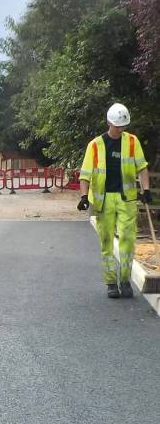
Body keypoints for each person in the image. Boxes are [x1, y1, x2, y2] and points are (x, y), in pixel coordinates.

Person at [77, 103, 152, 298]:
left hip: (126, 198)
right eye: (117, 125)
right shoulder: (95, 145)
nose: (120, 129)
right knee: (106, 241)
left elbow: (142, 167)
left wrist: (146, 189)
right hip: (103, 201)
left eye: (123, 125)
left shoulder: (133, 142)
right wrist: (84, 196)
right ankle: (111, 282)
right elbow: (85, 174)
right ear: (109, 122)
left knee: (128, 239)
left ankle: (125, 281)